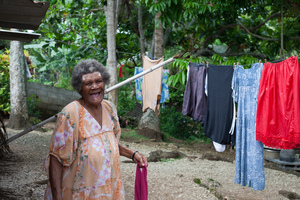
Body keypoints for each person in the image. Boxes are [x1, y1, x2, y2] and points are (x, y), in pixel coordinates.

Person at [44, 59, 148, 199]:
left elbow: (106, 144)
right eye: (88, 83)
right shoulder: (70, 114)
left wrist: (132, 154)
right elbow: (55, 158)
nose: (94, 87)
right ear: (80, 88)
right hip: (80, 192)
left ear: (104, 82)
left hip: (108, 189)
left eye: (98, 81)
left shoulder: (109, 108)